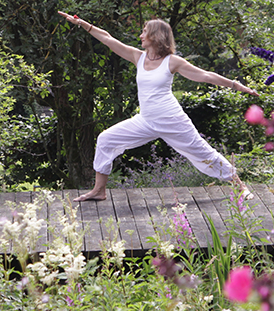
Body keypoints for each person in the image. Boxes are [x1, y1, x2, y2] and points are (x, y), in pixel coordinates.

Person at [57, 11, 258, 202]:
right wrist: (82, 23)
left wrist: (235, 85)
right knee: (105, 139)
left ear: (155, 36)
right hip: (145, 121)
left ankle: (241, 187)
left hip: (172, 120)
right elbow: (108, 39)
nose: (140, 35)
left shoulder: (172, 62)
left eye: (144, 31)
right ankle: (99, 191)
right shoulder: (138, 57)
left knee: (202, 151)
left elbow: (205, 75)